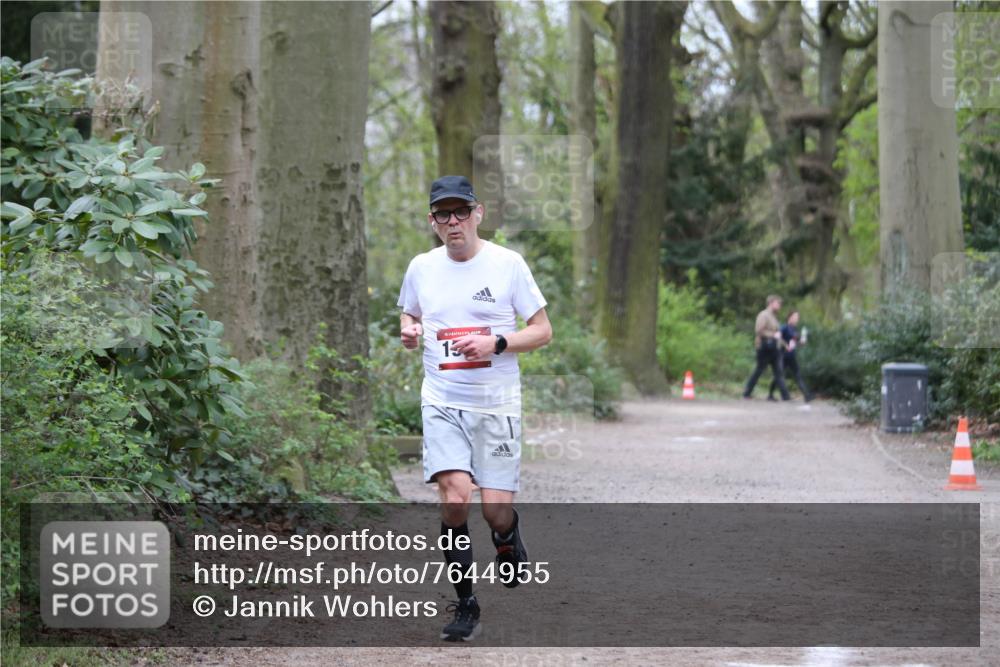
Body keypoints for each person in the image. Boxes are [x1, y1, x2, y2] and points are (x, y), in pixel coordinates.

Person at [397, 175, 553, 642]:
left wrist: (496, 341)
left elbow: (542, 330)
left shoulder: (508, 264)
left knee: (495, 511)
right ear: (433, 222)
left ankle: (507, 538)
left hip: (496, 403)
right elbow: (410, 313)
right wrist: (409, 329)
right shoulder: (421, 267)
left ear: (477, 213)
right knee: (455, 498)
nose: (453, 222)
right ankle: (465, 602)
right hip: (442, 399)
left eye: (460, 211)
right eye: (442, 214)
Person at [742, 294, 791, 401]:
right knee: (759, 370)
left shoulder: (774, 317)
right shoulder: (763, 315)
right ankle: (746, 393)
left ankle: (786, 396)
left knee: (779, 372)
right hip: (764, 348)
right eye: (778, 303)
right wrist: (772, 335)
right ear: (771, 303)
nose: (779, 305)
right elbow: (759, 330)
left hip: (775, 348)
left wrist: (784, 344)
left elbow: (777, 334)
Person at [769, 310, 814, 402]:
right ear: (789, 317)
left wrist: (801, 342)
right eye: (795, 316)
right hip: (782, 356)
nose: (797, 319)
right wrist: (785, 345)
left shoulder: (794, 329)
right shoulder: (784, 327)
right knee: (779, 375)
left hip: (791, 356)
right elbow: (776, 336)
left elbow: (794, 343)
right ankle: (770, 394)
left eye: (798, 317)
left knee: (797, 375)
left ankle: (807, 395)